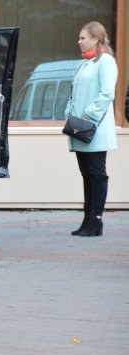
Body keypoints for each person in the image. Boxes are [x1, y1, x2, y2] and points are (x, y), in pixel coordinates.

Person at [67, 21, 118, 237]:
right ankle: (87, 219)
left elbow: (107, 94)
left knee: (97, 175)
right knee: (86, 175)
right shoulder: (84, 64)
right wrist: (70, 114)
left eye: (83, 38)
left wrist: (87, 115)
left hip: (94, 130)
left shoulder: (106, 62)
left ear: (96, 39)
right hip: (79, 129)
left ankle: (96, 220)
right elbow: (73, 93)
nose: (79, 41)